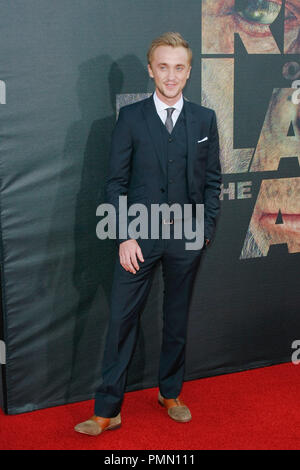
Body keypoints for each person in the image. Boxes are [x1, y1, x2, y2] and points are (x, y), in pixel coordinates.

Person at [75, 31, 222, 436]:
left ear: (189, 72)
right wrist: (124, 236)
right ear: (151, 70)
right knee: (122, 320)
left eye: (179, 68)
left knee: (175, 319)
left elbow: (213, 181)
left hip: (187, 238)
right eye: (163, 67)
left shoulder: (205, 119)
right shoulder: (131, 118)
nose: (171, 76)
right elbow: (114, 183)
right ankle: (108, 409)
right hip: (137, 237)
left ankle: (170, 393)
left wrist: (206, 230)